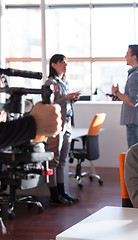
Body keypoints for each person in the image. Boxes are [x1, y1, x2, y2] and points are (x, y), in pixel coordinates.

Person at [44, 54, 81, 206]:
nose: (65, 66)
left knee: (63, 160)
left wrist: (72, 98)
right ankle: (54, 194)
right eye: (62, 63)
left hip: (67, 124)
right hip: (56, 124)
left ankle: (62, 192)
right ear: (54, 65)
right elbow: (49, 103)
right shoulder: (50, 83)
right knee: (54, 160)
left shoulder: (64, 81)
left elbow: (64, 101)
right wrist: (66, 98)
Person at [111, 44, 138, 148]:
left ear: (134, 57)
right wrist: (120, 97)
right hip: (137, 121)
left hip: (135, 122)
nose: (125, 57)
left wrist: (117, 93)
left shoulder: (136, 75)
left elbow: (134, 101)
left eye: (127, 54)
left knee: (135, 157)